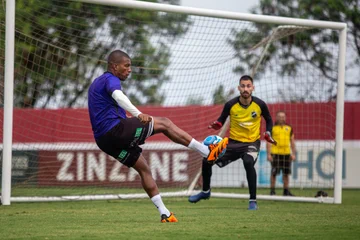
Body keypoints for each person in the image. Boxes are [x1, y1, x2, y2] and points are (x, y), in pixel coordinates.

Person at [87, 50, 228, 223]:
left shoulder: (96, 83)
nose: (130, 69)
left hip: (104, 141)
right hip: (115, 131)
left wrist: (127, 119)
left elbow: (106, 110)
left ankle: (165, 213)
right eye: (127, 65)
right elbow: (118, 96)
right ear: (114, 66)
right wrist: (138, 114)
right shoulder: (111, 79)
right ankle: (206, 151)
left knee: (143, 168)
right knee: (165, 123)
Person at [188, 75, 277, 210]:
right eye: (243, 86)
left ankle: (253, 200)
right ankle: (205, 192)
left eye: (248, 86)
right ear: (238, 88)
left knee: (248, 162)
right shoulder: (231, 105)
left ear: (253, 88)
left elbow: (269, 120)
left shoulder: (260, 104)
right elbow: (221, 121)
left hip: (251, 143)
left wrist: (268, 132)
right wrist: (216, 125)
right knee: (207, 159)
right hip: (232, 143)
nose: (245, 89)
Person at [266, 111, 296, 196]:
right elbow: (268, 142)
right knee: (274, 173)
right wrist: (268, 154)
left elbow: (292, 141)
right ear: (276, 117)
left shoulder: (289, 128)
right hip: (275, 153)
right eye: (279, 116)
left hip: (286, 154)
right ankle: (272, 191)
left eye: (283, 116)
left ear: (285, 118)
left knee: (286, 174)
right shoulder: (272, 128)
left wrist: (293, 153)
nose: (281, 118)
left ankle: (286, 191)